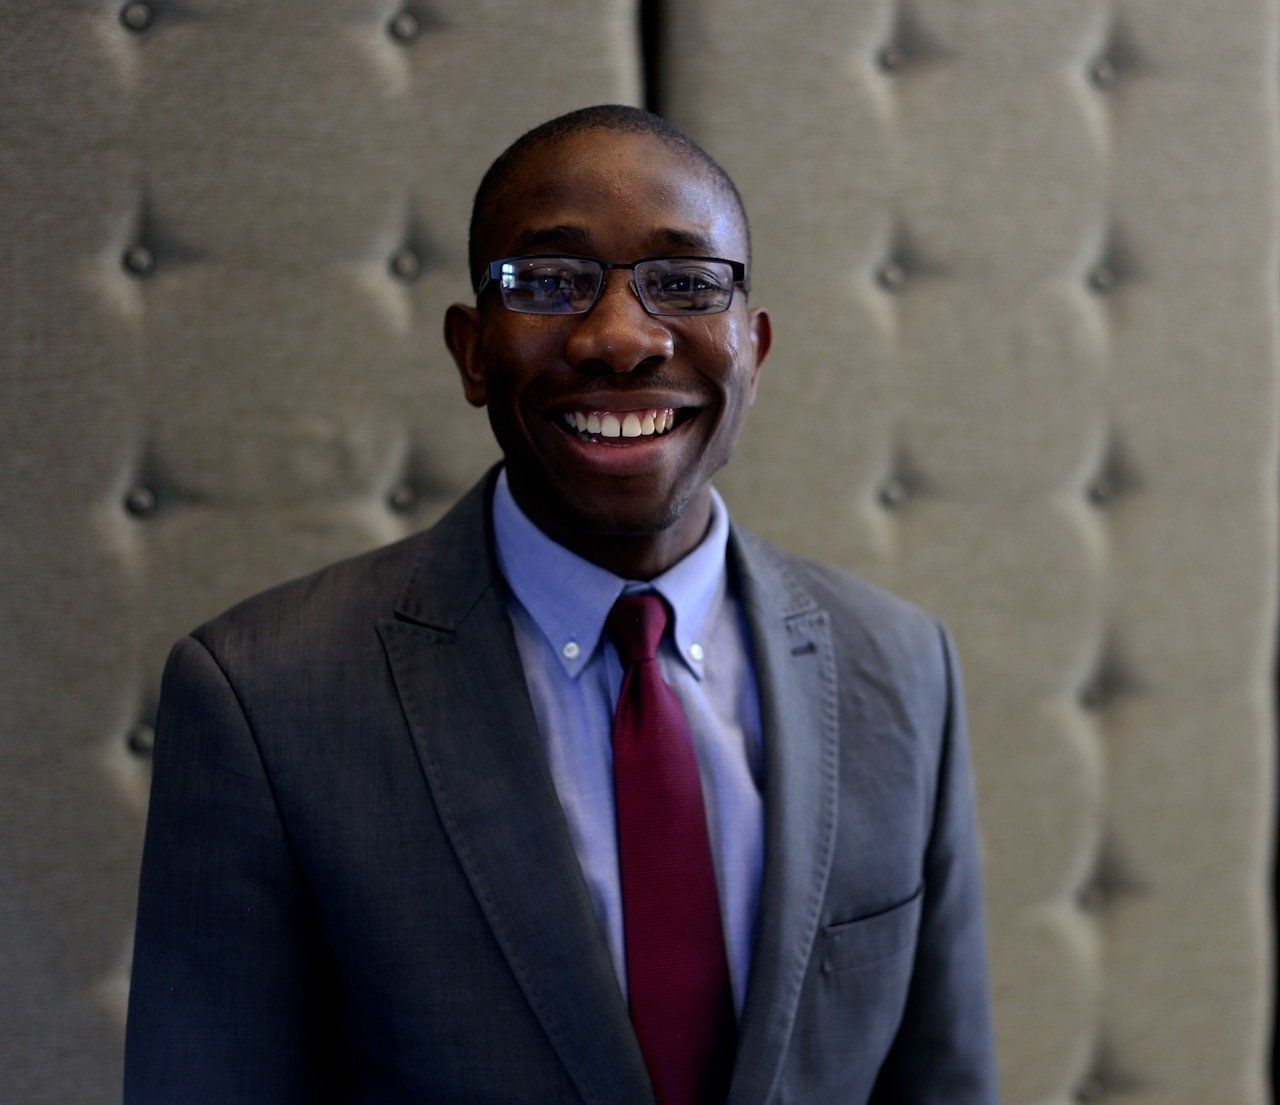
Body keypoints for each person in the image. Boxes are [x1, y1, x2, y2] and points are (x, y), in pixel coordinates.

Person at [124, 104, 998, 1105]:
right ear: (472, 350)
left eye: (682, 283)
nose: (619, 337)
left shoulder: (898, 664)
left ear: (751, 349)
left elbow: (943, 1081)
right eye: (547, 283)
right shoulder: (263, 699)